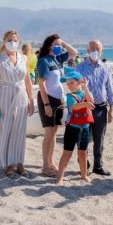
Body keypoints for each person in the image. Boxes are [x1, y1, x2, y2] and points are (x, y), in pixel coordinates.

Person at [0, 30, 35, 177]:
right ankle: (9, 164)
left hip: (21, 95)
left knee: (20, 131)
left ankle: (20, 163)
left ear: (19, 42)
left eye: (15, 40)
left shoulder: (24, 58)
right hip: (5, 95)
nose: (12, 42)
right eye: (10, 40)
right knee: (6, 130)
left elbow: (28, 81)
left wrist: (31, 100)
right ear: (4, 41)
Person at [37, 34, 78, 176]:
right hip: (48, 99)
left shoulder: (57, 59)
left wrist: (62, 43)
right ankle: (45, 166)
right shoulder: (44, 61)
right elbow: (41, 84)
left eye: (60, 44)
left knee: (54, 133)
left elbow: (74, 53)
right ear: (49, 46)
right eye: (56, 44)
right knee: (48, 133)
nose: (59, 46)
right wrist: (46, 104)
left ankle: (50, 162)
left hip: (59, 100)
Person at [76, 40, 113, 176]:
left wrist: (112, 108)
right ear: (87, 50)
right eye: (92, 48)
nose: (95, 51)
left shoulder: (106, 68)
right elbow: (74, 88)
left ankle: (98, 166)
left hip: (101, 108)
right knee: (83, 138)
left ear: (102, 51)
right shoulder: (79, 68)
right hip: (85, 108)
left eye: (97, 49)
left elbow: (109, 89)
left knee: (99, 139)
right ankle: (84, 165)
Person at [55, 70, 94, 185]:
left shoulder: (84, 93)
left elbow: (91, 101)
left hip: (85, 128)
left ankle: (84, 175)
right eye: (67, 83)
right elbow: (74, 107)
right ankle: (59, 178)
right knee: (67, 153)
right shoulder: (70, 96)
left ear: (79, 83)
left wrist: (85, 87)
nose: (68, 85)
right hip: (72, 128)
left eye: (71, 83)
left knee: (83, 153)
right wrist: (85, 104)